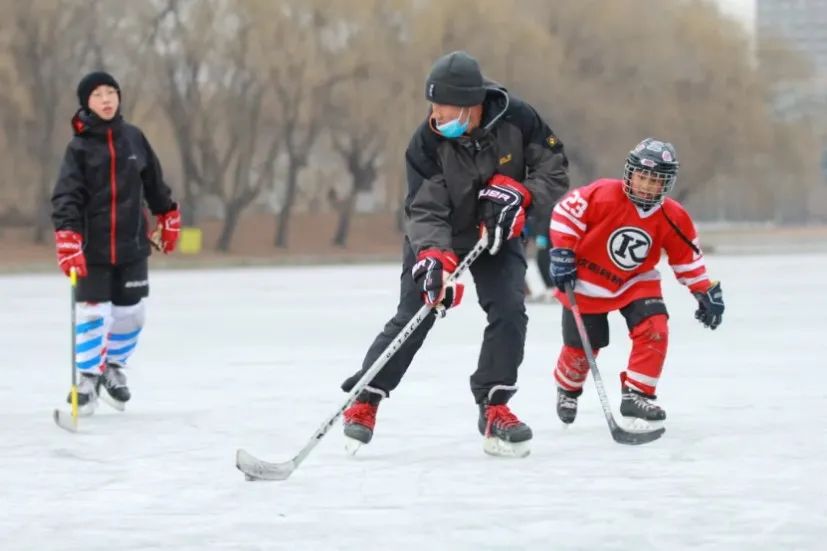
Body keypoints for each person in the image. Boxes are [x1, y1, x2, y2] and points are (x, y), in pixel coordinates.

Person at [339, 51, 570, 456]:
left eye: (445, 112)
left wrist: (523, 195)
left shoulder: (519, 120)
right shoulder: (426, 143)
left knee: (510, 310)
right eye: (433, 109)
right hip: (440, 235)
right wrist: (433, 257)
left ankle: (495, 406)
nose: (437, 118)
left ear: (473, 105)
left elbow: (554, 169)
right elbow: (425, 209)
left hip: (497, 232)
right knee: (417, 312)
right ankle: (366, 397)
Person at [547, 137, 724, 425]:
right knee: (582, 348)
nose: (646, 186)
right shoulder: (602, 194)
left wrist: (703, 289)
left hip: (636, 281)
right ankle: (567, 388)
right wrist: (563, 251)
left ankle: (637, 394)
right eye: (642, 177)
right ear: (630, 173)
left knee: (654, 329)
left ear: (666, 184)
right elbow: (565, 213)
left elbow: (686, 257)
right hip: (586, 279)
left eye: (656, 181)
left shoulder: (673, 215)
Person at [51, 71, 180, 415]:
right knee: (94, 312)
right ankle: (89, 378)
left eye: (111, 92)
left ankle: (113, 367)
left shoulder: (134, 138)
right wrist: (67, 236)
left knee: (131, 313)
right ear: (86, 103)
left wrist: (167, 214)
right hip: (92, 248)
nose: (106, 99)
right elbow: (66, 196)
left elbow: (154, 181)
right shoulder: (78, 148)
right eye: (97, 95)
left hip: (132, 244)